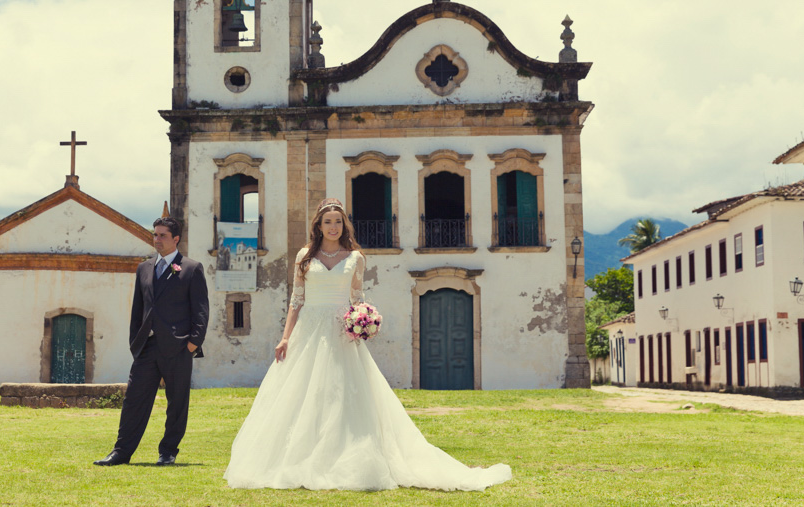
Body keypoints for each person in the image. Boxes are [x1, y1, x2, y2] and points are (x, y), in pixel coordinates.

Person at [224, 198, 511, 491]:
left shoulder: (355, 258)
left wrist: (363, 319)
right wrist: (285, 337)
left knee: (344, 393)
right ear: (318, 226)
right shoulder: (304, 257)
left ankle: (345, 455)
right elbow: (297, 300)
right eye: (328, 222)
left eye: (338, 222)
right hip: (309, 330)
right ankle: (298, 458)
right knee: (303, 392)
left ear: (344, 225)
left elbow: (357, 298)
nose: (333, 227)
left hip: (340, 332)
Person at [95, 217, 209, 467]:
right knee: (134, 400)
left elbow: (200, 310)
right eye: (155, 234)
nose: (157, 239)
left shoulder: (191, 268)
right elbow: (138, 308)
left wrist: (192, 344)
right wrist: (135, 342)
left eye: (162, 235)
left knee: (177, 402)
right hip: (147, 347)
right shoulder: (143, 268)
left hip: (178, 347)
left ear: (176, 238)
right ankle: (121, 452)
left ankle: (168, 451)